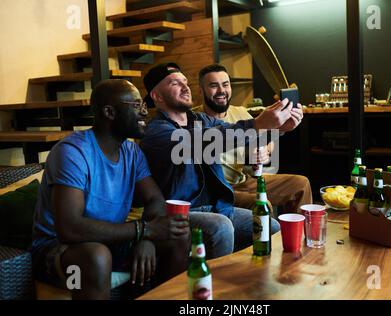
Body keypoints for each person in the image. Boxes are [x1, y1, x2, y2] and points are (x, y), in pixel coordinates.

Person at [31, 79, 190, 300]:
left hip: (111, 241)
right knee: (96, 256)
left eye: (143, 106)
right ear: (109, 112)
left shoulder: (131, 152)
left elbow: (155, 199)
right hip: (59, 253)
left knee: (178, 236)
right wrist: (143, 230)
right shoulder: (73, 152)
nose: (145, 112)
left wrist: (147, 239)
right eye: (136, 106)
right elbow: (70, 228)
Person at [140, 62, 302, 259]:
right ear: (157, 96)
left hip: (217, 206)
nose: (185, 87)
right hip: (180, 213)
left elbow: (240, 134)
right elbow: (204, 141)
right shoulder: (156, 132)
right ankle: (215, 286)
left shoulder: (202, 120)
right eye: (175, 83)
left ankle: (258, 281)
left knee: (270, 225)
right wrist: (259, 123)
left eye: (185, 82)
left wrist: (280, 128)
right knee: (221, 227)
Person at [196, 64, 312, 214]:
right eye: (213, 85)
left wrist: (264, 149)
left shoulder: (241, 113)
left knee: (300, 184)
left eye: (225, 84)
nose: (221, 91)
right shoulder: (193, 119)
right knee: (261, 204)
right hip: (217, 189)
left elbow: (265, 140)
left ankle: (298, 235)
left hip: (244, 181)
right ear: (201, 90)